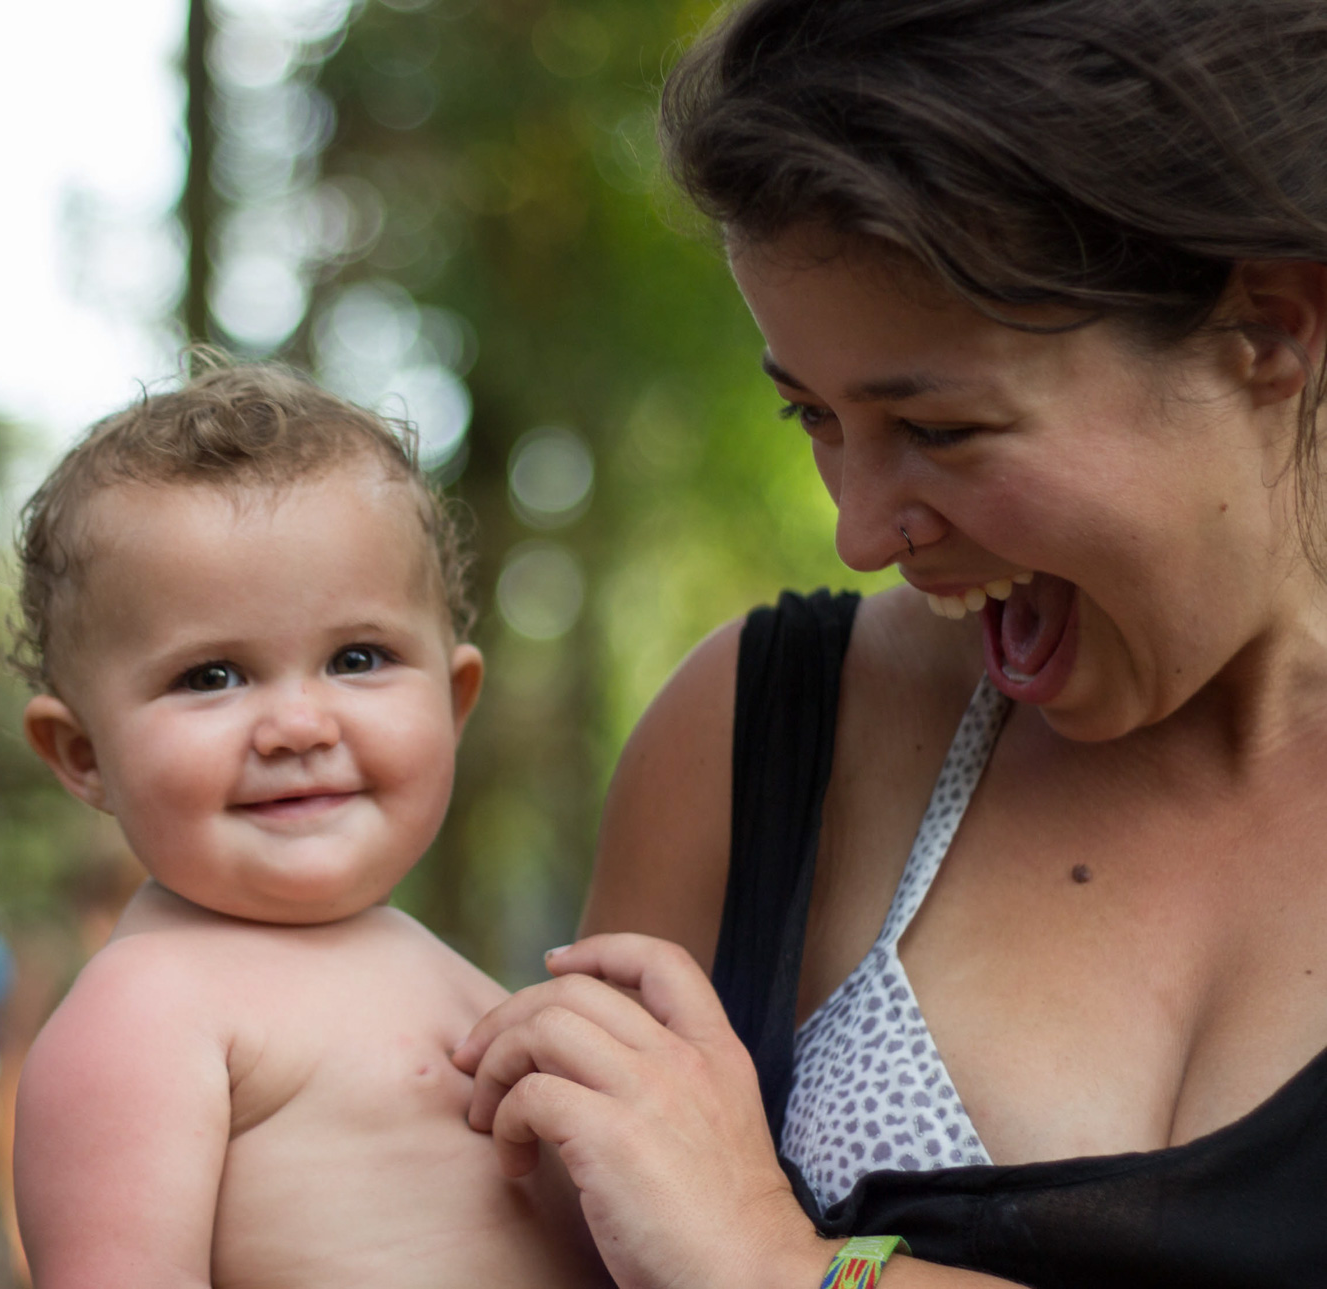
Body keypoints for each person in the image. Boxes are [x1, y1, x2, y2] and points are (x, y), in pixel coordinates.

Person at [451, 0, 1327, 1285]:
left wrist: (779, 1258)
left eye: (942, 429)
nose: (860, 535)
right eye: (812, 412)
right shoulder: (753, 736)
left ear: (1271, 326)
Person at [6, 363, 607, 1288]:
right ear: (81, 753)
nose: (297, 725)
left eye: (357, 658)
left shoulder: (448, 974)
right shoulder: (148, 1013)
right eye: (211, 675)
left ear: (453, 701)